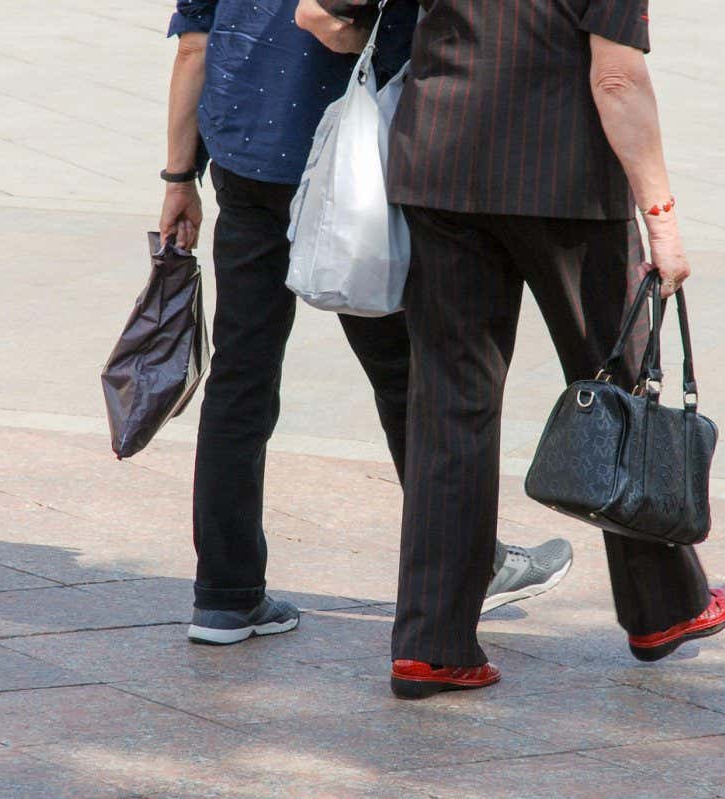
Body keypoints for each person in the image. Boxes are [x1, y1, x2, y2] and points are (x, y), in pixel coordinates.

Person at [298, 0, 725, 697]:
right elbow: (617, 79)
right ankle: (664, 609)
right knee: (617, 389)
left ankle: (431, 646)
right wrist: (662, 216)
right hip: (564, 181)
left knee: (449, 406)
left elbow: (320, 14)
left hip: (439, 163)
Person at [158, 0, 575, 646]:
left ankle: (224, 595)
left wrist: (178, 177)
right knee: (408, 374)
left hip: (242, 155)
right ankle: (473, 563)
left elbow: (194, 44)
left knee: (240, 375)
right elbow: (332, 22)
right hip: (342, 155)